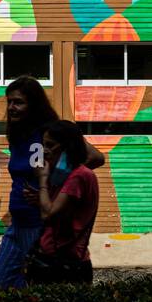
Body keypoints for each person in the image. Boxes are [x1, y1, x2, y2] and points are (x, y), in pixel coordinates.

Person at [0, 76, 103, 289]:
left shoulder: (49, 132)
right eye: (9, 101)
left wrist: (56, 186)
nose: (11, 107)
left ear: (34, 104)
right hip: (17, 223)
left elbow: (95, 157)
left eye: (18, 102)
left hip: (39, 225)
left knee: (35, 287)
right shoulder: (18, 135)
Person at [28, 121, 100, 284]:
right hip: (55, 260)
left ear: (67, 146)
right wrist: (39, 197)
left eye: (50, 145)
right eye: (43, 145)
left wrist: (43, 179)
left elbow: (48, 214)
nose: (44, 151)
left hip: (66, 265)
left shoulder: (78, 176)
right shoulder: (65, 175)